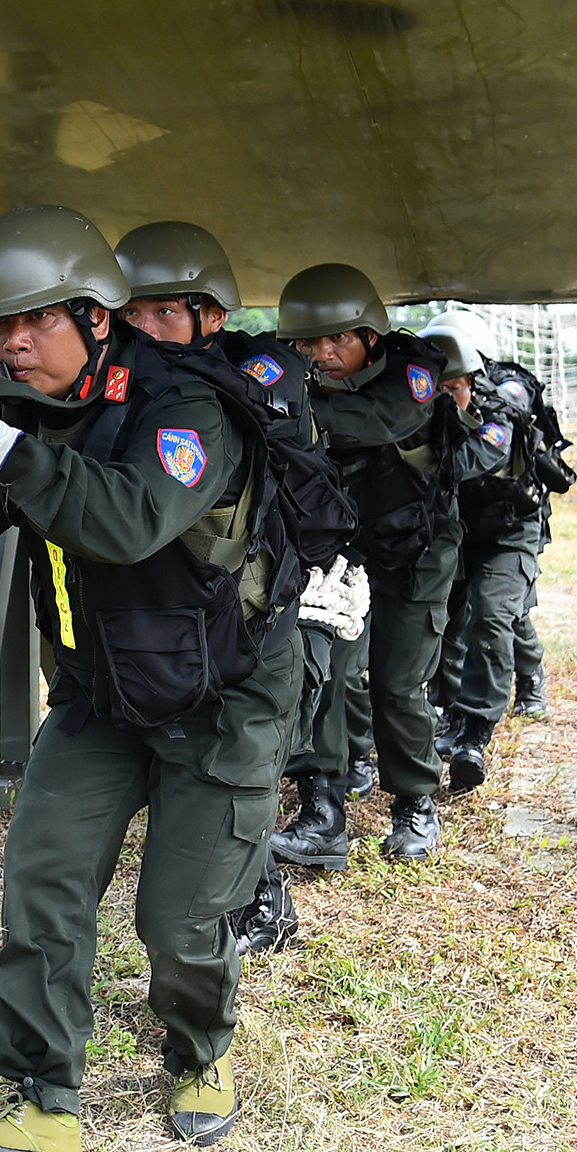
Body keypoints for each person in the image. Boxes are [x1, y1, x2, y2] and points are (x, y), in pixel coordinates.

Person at [0, 205, 302, 1152]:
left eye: (33, 320)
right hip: (101, 697)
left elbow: (129, 520)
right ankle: (46, 1103)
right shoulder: (26, 407)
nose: (11, 342)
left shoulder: (188, 405)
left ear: (94, 316)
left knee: (176, 922)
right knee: (42, 882)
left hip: (225, 693)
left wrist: (1, 448)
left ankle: (201, 1050)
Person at [113, 220, 361, 960]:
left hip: (266, 605)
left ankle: (271, 892)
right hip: (184, 612)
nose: (144, 330)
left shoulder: (249, 377)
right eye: (132, 314)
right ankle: (256, 895)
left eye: (164, 312)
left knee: (247, 762)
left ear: (211, 315)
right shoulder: (138, 384)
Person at [269, 266, 503, 867]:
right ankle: (323, 811)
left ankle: (415, 804)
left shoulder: (415, 372)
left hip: (420, 552)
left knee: (398, 682)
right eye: (306, 345)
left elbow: (380, 420)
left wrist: (295, 408)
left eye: (335, 340)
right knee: (328, 673)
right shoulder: (302, 377)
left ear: (370, 335)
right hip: (348, 546)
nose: (320, 355)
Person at [428, 311, 563, 789]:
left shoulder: (506, 394)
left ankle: (475, 729)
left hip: (510, 528)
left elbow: (490, 450)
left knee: (494, 611)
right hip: (458, 529)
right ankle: (451, 708)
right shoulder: (422, 389)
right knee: (465, 617)